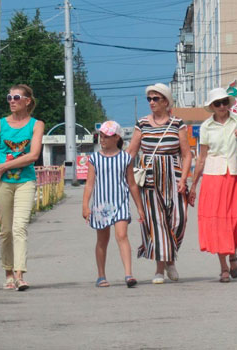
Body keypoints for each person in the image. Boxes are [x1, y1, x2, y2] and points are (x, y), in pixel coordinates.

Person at [188, 87, 237, 283]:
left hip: (235, 175)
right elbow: (201, 158)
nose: (222, 106)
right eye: (217, 103)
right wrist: (194, 185)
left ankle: (233, 255)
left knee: (235, 221)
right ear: (211, 106)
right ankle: (224, 267)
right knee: (218, 223)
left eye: (225, 102)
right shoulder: (206, 127)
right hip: (213, 176)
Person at [0, 84, 44, 291]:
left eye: (16, 97)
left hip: (25, 180)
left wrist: (5, 165)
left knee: (20, 227)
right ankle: (8, 273)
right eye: (9, 97)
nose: (12, 101)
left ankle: (20, 274)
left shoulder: (36, 125)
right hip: (1, 183)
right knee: (6, 230)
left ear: (27, 101)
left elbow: (33, 155)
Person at [127, 83, 192, 284]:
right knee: (157, 222)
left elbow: (186, 154)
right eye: (149, 99)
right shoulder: (142, 124)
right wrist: (121, 171)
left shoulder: (177, 123)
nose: (152, 102)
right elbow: (131, 152)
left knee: (179, 221)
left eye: (156, 99)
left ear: (166, 101)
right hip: (150, 177)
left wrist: (183, 179)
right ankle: (160, 269)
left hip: (174, 175)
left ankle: (170, 258)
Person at [82, 120, 145, 288]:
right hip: (101, 205)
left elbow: (132, 184)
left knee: (122, 235)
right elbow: (89, 184)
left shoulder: (125, 158)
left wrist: (139, 207)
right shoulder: (94, 158)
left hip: (120, 203)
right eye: (101, 136)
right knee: (102, 240)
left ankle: (128, 274)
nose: (103, 139)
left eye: (107, 136)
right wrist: (85, 205)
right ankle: (101, 275)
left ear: (117, 137)